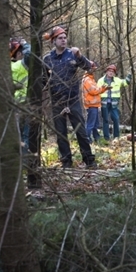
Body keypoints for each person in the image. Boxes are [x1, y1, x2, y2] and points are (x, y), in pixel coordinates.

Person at [43, 25, 96, 168]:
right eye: (60, 38)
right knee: (61, 134)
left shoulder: (73, 54)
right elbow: (43, 80)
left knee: (81, 132)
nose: (63, 40)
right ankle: (66, 162)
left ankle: (89, 161)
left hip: (73, 100)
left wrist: (80, 56)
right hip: (56, 102)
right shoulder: (47, 59)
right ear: (53, 41)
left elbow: (90, 68)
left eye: (65, 38)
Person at [97, 64, 132, 141]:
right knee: (105, 120)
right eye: (109, 71)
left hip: (114, 104)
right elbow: (97, 92)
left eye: (112, 71)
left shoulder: (117, 80)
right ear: (106, 72)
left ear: (114, 73)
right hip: (104, 104)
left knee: (116, 119)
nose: (111, 72)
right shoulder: (100, 81)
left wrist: (129, 75)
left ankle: (116, 137)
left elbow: (126, 82)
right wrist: (98, 104)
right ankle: (106, 138)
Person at [10, 37, 31, 153]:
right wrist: (26, 44)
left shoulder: (6, 67)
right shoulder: (19, 65)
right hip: (22, 105)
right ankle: (24, 161)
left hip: (11, 106)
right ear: (18, 53)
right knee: (24, 136)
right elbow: (30, 56)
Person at [82, 62, 108, 144]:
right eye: (92, 69)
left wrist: (103, 89)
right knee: (90, 123)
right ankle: (87, 139)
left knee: (95, 123)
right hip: (91, 105)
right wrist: (102, 88)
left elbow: (96, 90)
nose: (94, 70)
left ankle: (97, 138)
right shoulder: (87, 80)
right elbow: (93, 91)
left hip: (94, 104)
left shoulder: (91, 79)